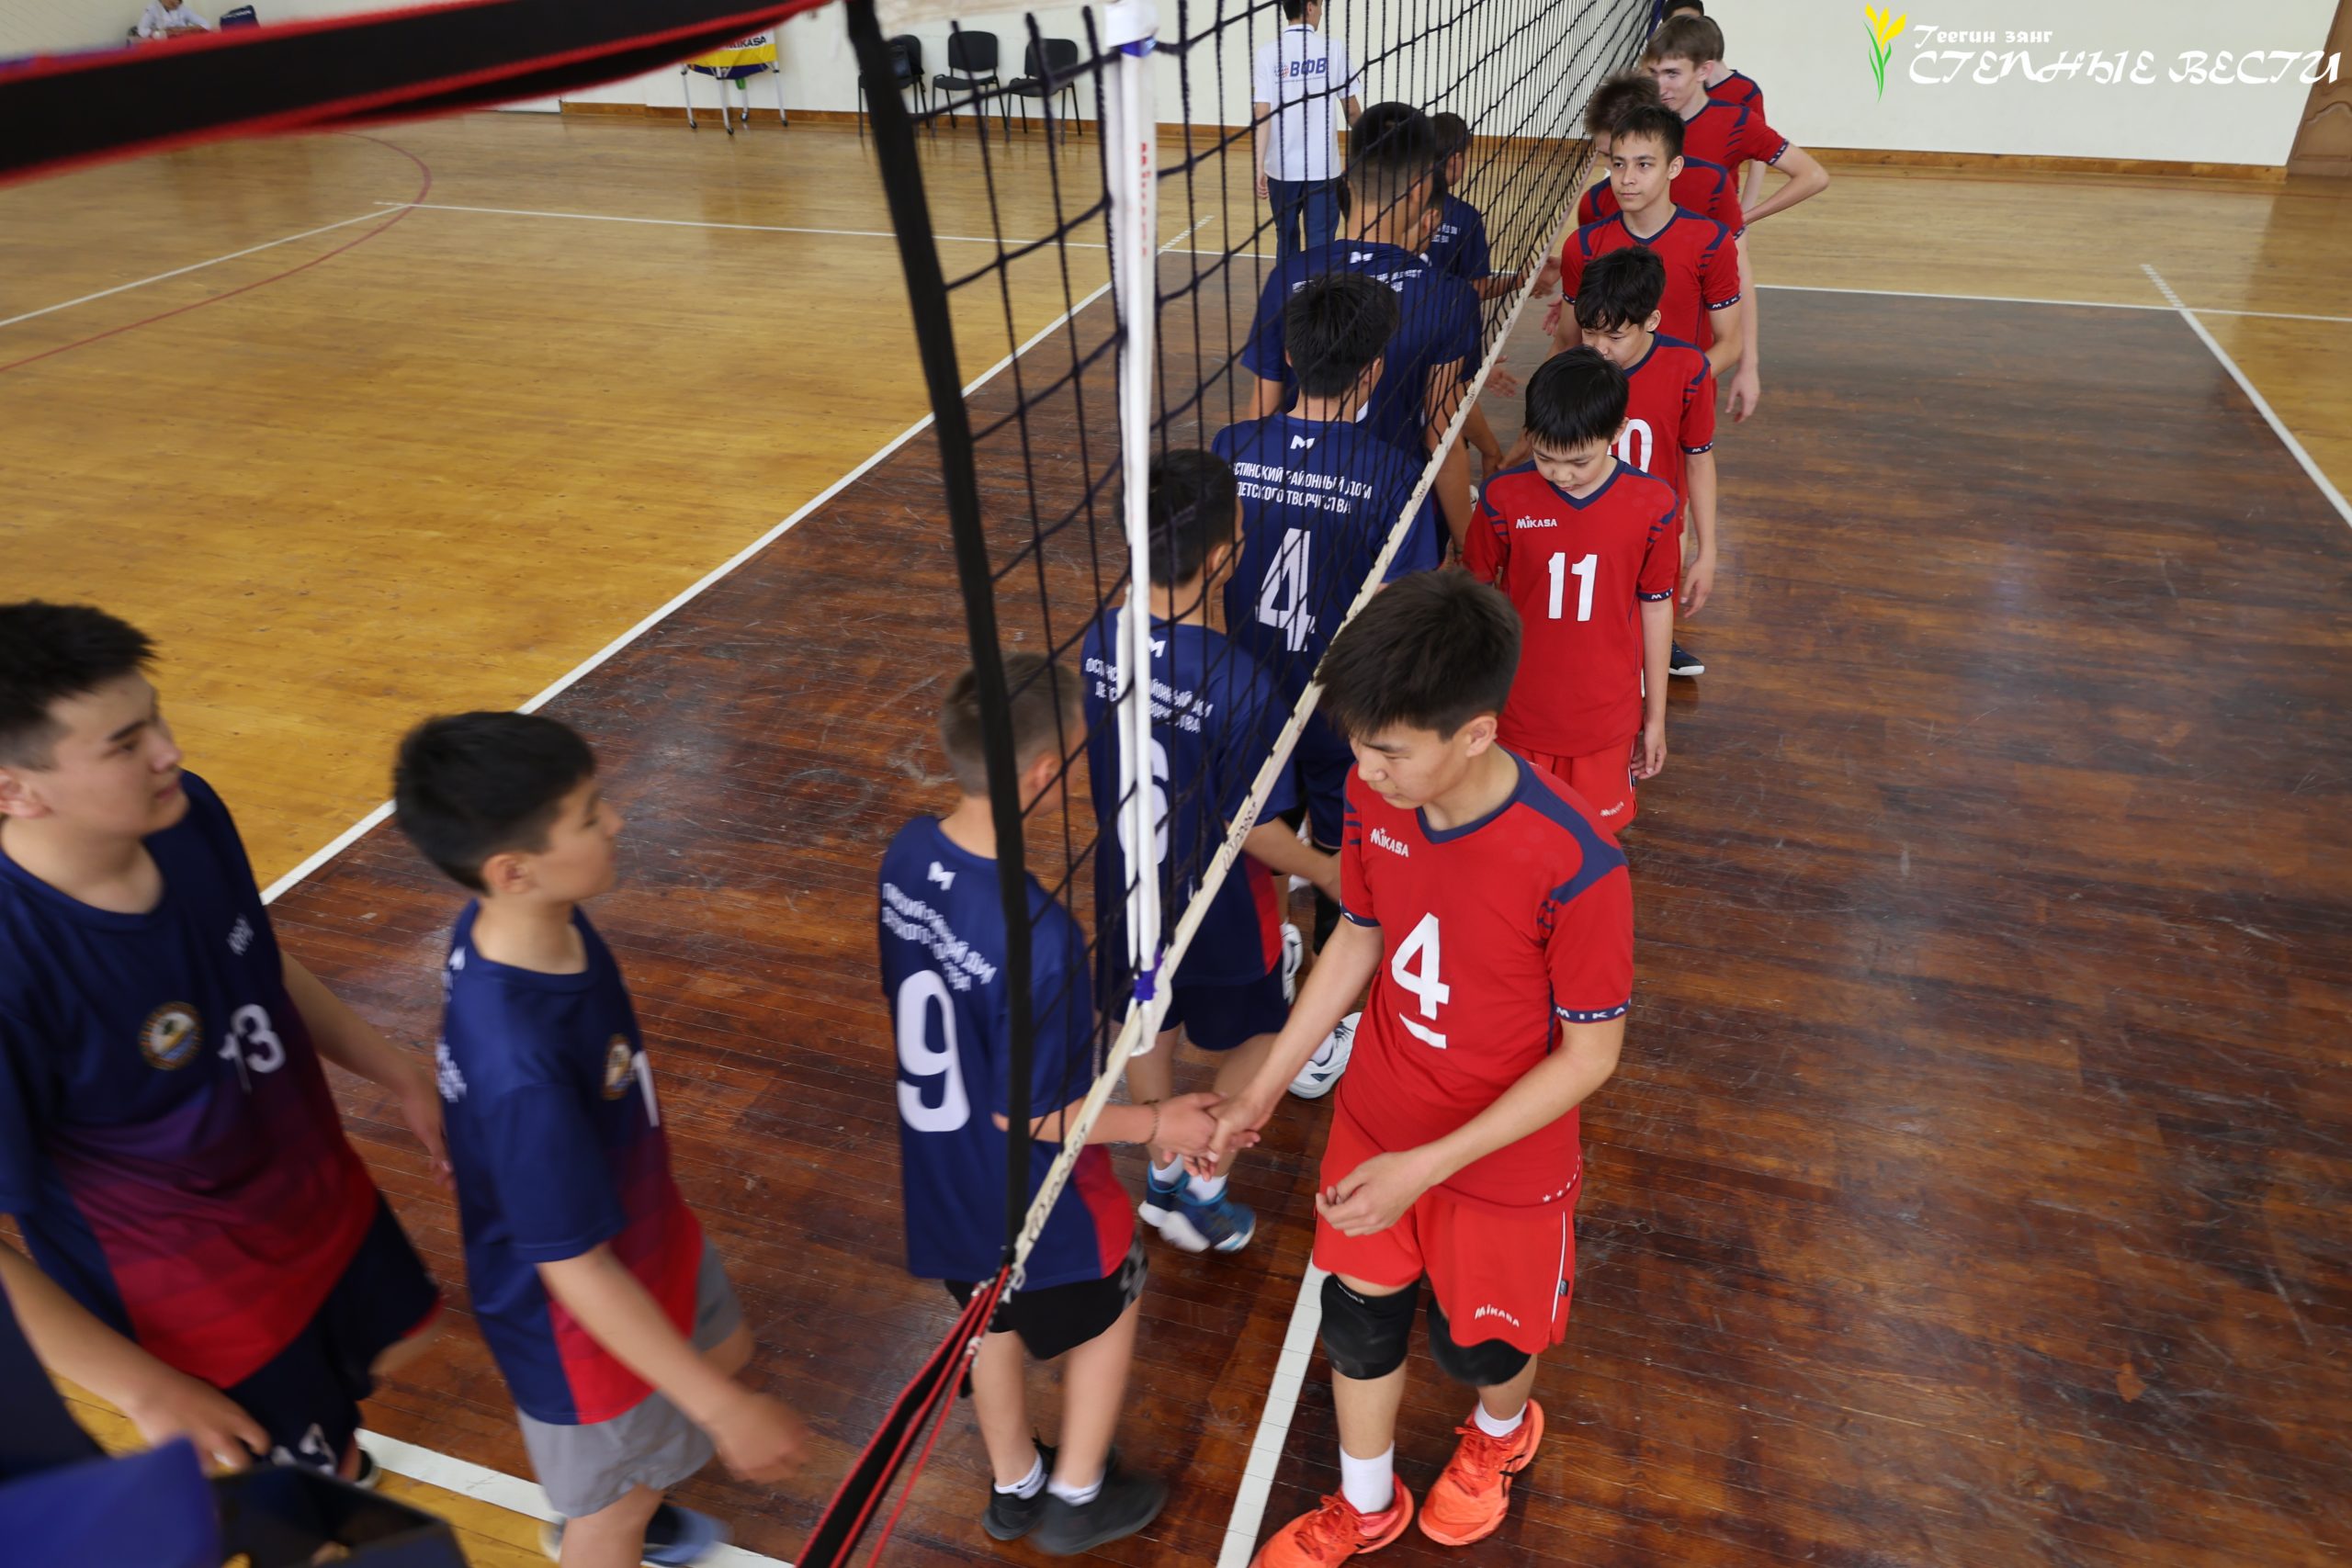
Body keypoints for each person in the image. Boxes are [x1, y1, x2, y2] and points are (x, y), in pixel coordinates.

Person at [1205, 570, 1634, 1565]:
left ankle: (1500, 1434)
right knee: (1356, 1324)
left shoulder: (1578, 867)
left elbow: (1591, 1055)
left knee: (1482, 1347)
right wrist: (1258, 1090)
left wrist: (1429, 1166)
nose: (1365, 767)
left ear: (1476, 734)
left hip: (1504, 1161)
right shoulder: (1371, 795)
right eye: (1359, 741)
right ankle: (1365, 1506)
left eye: (1391, 749)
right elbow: (1360, 932)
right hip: (1378, 1118)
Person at [0, 601, 443, 1486]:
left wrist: (398, 1071)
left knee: (385, 1365)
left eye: (156, 717)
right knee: (293, 1500)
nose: (168, 751)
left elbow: (252, 957)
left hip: (318, 1200)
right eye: (126, 745)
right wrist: (146, 1388)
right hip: (198, 1298)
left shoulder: (187, 813)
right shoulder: (14, 968)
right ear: (14, 790)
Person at [394, 712, 806, 1567]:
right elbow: (574, 1270)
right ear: (513, 870)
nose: (617, 820)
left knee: (723, 1348)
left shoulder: (536, 925)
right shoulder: (520, 1061)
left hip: (649, 1233)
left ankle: (633, 1486)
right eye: (589, 815)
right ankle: (608, 1519)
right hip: (581, 1331)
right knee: (617, 1509)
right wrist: (727, 1412)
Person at [879, 652, 1214, 1554]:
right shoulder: (1040, 938)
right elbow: (1032, 1116)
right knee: (1115, 1294)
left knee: (986, 1313)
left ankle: (1014, 1482)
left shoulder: (905, 854)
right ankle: (1076, 1495)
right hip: (1029, 1187)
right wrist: (1161, 1121)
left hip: (939, 1167)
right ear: (1040, 774)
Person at [1082, 452, 1336, 1255]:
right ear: (1225, 554)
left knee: (1148, 1018)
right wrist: (1328, 870)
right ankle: (1203, 1184)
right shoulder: (1242, 684)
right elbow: (1249, 827)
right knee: (1269, 1033)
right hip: (1219, 904)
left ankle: (1161, 1167)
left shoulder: (1099, 639)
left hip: (1130, 890)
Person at [1216, 274, 1440, 946]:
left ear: (1288, 356)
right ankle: (1327, 957)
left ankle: (1277, 951)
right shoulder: (1394, 473)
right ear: (1374, 371)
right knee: (1348, 850)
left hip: (1247, 692)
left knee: (1262, 828)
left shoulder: (1230, 447)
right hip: (1339, 703)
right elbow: (1400, 607)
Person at [1243, 102, 1480, 548]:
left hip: (1292, 504)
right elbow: (1443, 438)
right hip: (1391, 517)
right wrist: (1470, 548)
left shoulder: (1288, 276)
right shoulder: (1450, 297)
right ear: (1420, 190)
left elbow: (1260, 417)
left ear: (1346, 182)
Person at [1468, 351, 1677, 836]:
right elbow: (1473, 601)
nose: (1560, 475)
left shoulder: (1653, 504)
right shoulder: (1502, 497)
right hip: (1517, 711)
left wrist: (1655, 718)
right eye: (1545, 458)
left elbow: (1656, 607)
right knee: (1514, 836)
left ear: (1617, 432)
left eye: (1579, 461)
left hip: (1605, 716)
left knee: (1592, 840)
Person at [1573, 246, 1719, 680]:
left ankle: (1656, 642)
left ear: (1651, 321)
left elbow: (1699, 461)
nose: (1599, 349)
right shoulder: (1573, 370)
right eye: (1588, 333)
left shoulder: (1687, 368)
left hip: (1654, 525)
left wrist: (1707, 551)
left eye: (1614, 338)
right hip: (1588, 519)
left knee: (1651, 601)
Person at [1552, 105, 1742, 398]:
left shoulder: (1712, 242)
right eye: (1618, 164)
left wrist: (1674, 386)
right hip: (1601, 402)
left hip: (1680, 402)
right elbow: (1566, 341)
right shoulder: (1583, 245)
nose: (1626, 178)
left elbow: (1729, 343)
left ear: (1674, 167)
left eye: (1643, 165)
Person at [1252, 0, 1363, 265]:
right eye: (1321, 6)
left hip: (1280, 170)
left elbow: (1262, 114)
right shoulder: (1333, 49)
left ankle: (1288, 291)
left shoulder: (1267, 53)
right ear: (1310, 7)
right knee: (1321, 245)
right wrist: (1374, 144)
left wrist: (1258, 166)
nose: (1322, 12)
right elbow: (1352, 112)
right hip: (1322, 170)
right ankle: (1319, 293)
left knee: (1286, 240)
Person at [1575, 72, 1745, 237]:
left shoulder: (1714, 184)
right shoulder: (1594, 204)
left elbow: (1736, 254)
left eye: (1642, 163)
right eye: (1609, 157)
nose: (1624, 177)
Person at [133, 0, 213, 39]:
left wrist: (186, 29)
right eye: (172, 3)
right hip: (162, 44)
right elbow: (141, 30)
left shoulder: (182, 8)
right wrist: (163, 33)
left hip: (182, 41)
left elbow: (206, 24)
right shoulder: (152, 9)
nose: (176, 4)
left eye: (178, 2)